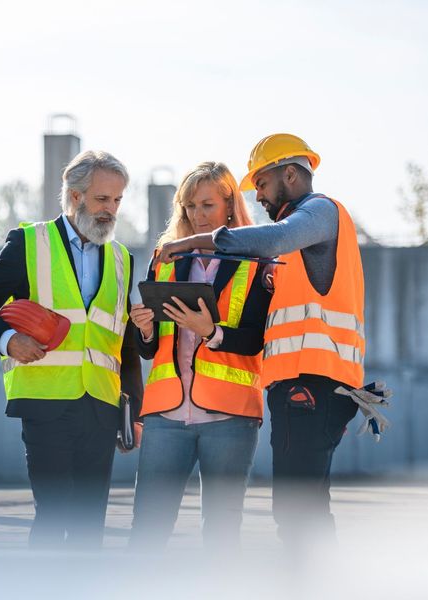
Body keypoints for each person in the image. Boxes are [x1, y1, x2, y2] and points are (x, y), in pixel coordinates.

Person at [156, 135, 365, 547]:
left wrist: (188, 242)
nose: (259, 197)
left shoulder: (320, 211)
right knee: (305, 507)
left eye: (263, 185)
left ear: (290, 173)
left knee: (296, 509)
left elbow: (270, 239)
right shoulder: (298, 241)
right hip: (301, 387)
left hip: (314, 385)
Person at [0, 150, 143, 549]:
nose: (111, 210)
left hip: (101, 406)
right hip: (45, 402)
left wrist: (134, 413)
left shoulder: (122, 258)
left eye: (117, 200)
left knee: (90, 524)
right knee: (55, 513)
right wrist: (9, 340)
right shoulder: (29, 243)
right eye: (101, 199)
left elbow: (123, 343)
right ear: (75, 197)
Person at [128, 161, 271, 551]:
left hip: (230, 417)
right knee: (146, 530)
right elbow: (148, 348)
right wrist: (143, 327)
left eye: (206, 205)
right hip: (166, 415)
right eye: (189, 206)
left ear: (229, 205)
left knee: (222, 534)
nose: (197, 215)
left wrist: (211, 331)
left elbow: (258, 338)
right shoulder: (166, 256)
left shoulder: (257, 258)